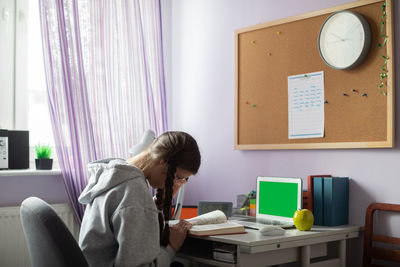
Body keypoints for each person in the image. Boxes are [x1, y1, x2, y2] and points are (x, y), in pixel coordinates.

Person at [78, 131, 201, 267]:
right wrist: (171, 248)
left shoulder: (115, 177)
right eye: (178, 177)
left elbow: (132, 217)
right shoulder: (134, 193)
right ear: (164, 162)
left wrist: (159, 201)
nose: (177, 182)